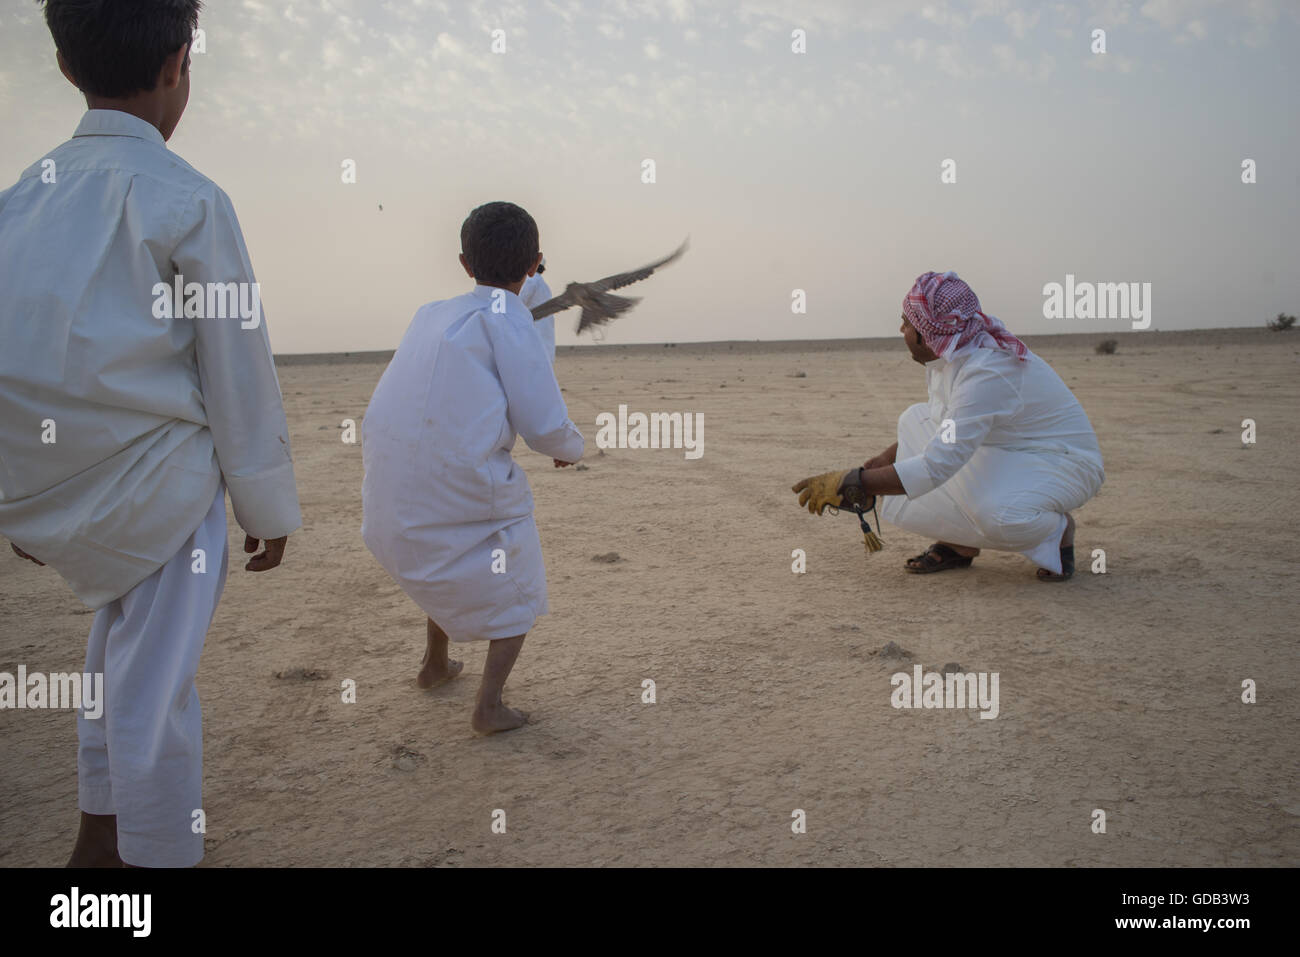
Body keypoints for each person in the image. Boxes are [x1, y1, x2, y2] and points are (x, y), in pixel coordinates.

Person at [0, 0, 301, 866]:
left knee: (116, 659)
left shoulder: (22, 196)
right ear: (179, 64)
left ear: (65, 67)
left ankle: (97, 836)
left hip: (53, 491)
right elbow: (236, 369)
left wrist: (24, 493)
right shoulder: (191, 199)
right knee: (157, 691)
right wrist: (265, 502)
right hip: (161, 496)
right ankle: (156, 862)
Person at [361, 202, 584, 734]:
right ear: (534, 262)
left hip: (390, 499)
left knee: (450, 565)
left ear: (464, 263)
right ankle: (488, 706)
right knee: (520, 587)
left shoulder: (431, 313)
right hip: (458, 493)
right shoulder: (511, 323)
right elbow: (541, 419)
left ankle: (435, 665)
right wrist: (568, 447)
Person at [792, 270, 1103, 581]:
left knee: (1000, 516)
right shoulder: (952, 357)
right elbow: (945, 428)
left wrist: (856, 482)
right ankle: (960, 544)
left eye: (907, 323)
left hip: (1065, 462)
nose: (901, 329)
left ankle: (1056, 531)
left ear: (926, 334)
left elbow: (936, 465)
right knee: (915, 420)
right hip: (1011, 449)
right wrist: (884, 462)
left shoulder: (986, 370)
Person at [519, 254, 557, 362]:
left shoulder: (532, 281)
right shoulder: (543, 284)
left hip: (535, 332)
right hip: (544, 334)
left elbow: (519, 300)